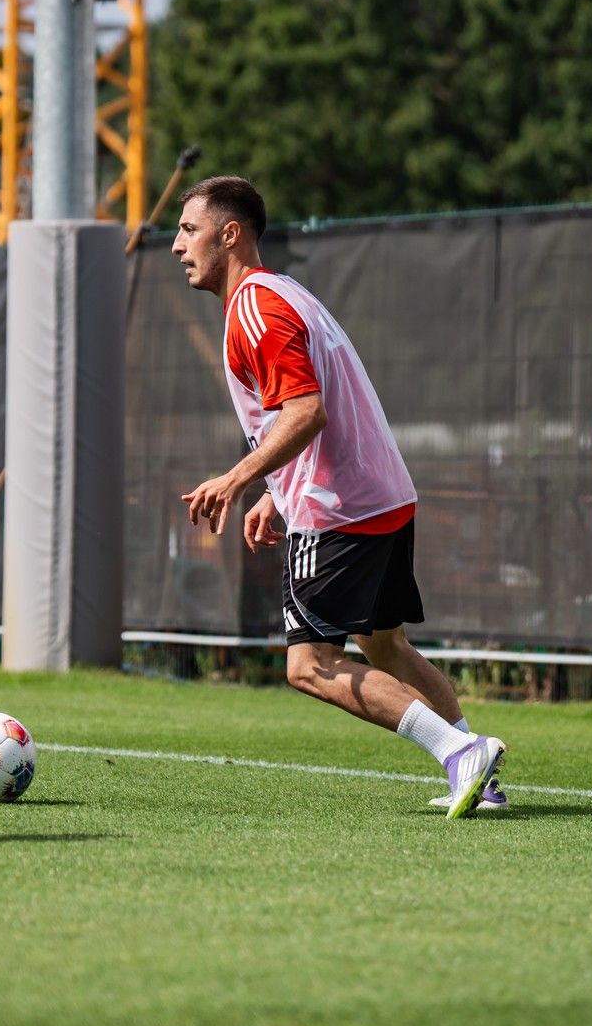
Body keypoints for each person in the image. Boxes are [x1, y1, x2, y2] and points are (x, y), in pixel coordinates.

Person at [172, 175, 508, 818]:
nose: (178, 245)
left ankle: (461, 755)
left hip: (338, 510)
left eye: (189, 230)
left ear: (230, 233)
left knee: (309, 665)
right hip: (379, 494)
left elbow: (307, 413)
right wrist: (274, 488)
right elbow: (297, 417)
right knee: (385, 646)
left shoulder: (254, 306)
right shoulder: (282, 293)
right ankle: (479, 770)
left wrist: (238, 477)